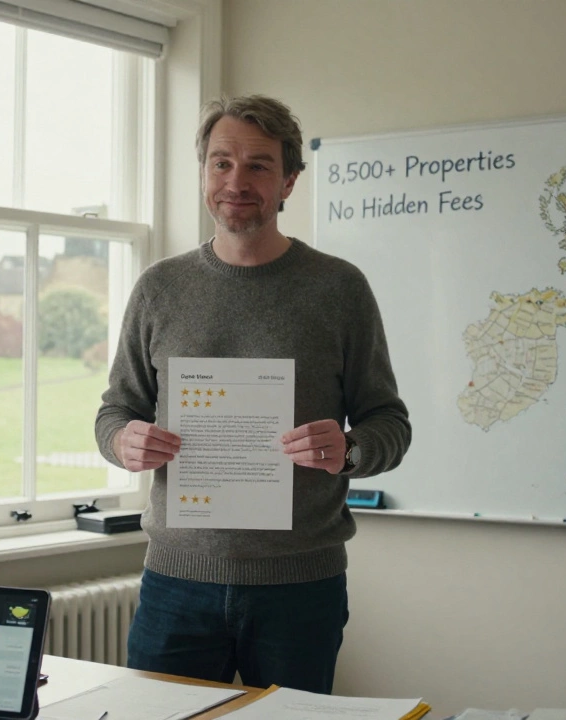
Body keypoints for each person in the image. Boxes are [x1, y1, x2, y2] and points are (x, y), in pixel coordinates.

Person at [94, 94, 410, 694]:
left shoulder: (339, 289)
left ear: (289, 180)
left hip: (300, 588)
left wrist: (349, 450)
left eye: (259, 165)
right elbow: (116, 409)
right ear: (205, 173)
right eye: (221, 163)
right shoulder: (159, 288)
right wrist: (122, 440)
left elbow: (388, 421)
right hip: (176, 584)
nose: (236, 181)